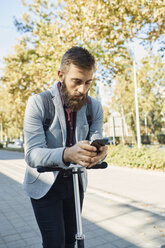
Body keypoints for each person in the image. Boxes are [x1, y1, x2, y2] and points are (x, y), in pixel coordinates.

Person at [23, 46, 107, 248]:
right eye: (76, 82)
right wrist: (67, 154)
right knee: (55, 243)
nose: (82, 90)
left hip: (75, 184)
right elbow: (32, 154)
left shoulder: (94, 106)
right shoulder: (38, 103)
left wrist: (100, 154)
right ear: (61, 75)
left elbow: (97, 139)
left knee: (71, 241)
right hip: (45, 185)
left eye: (88, 83)